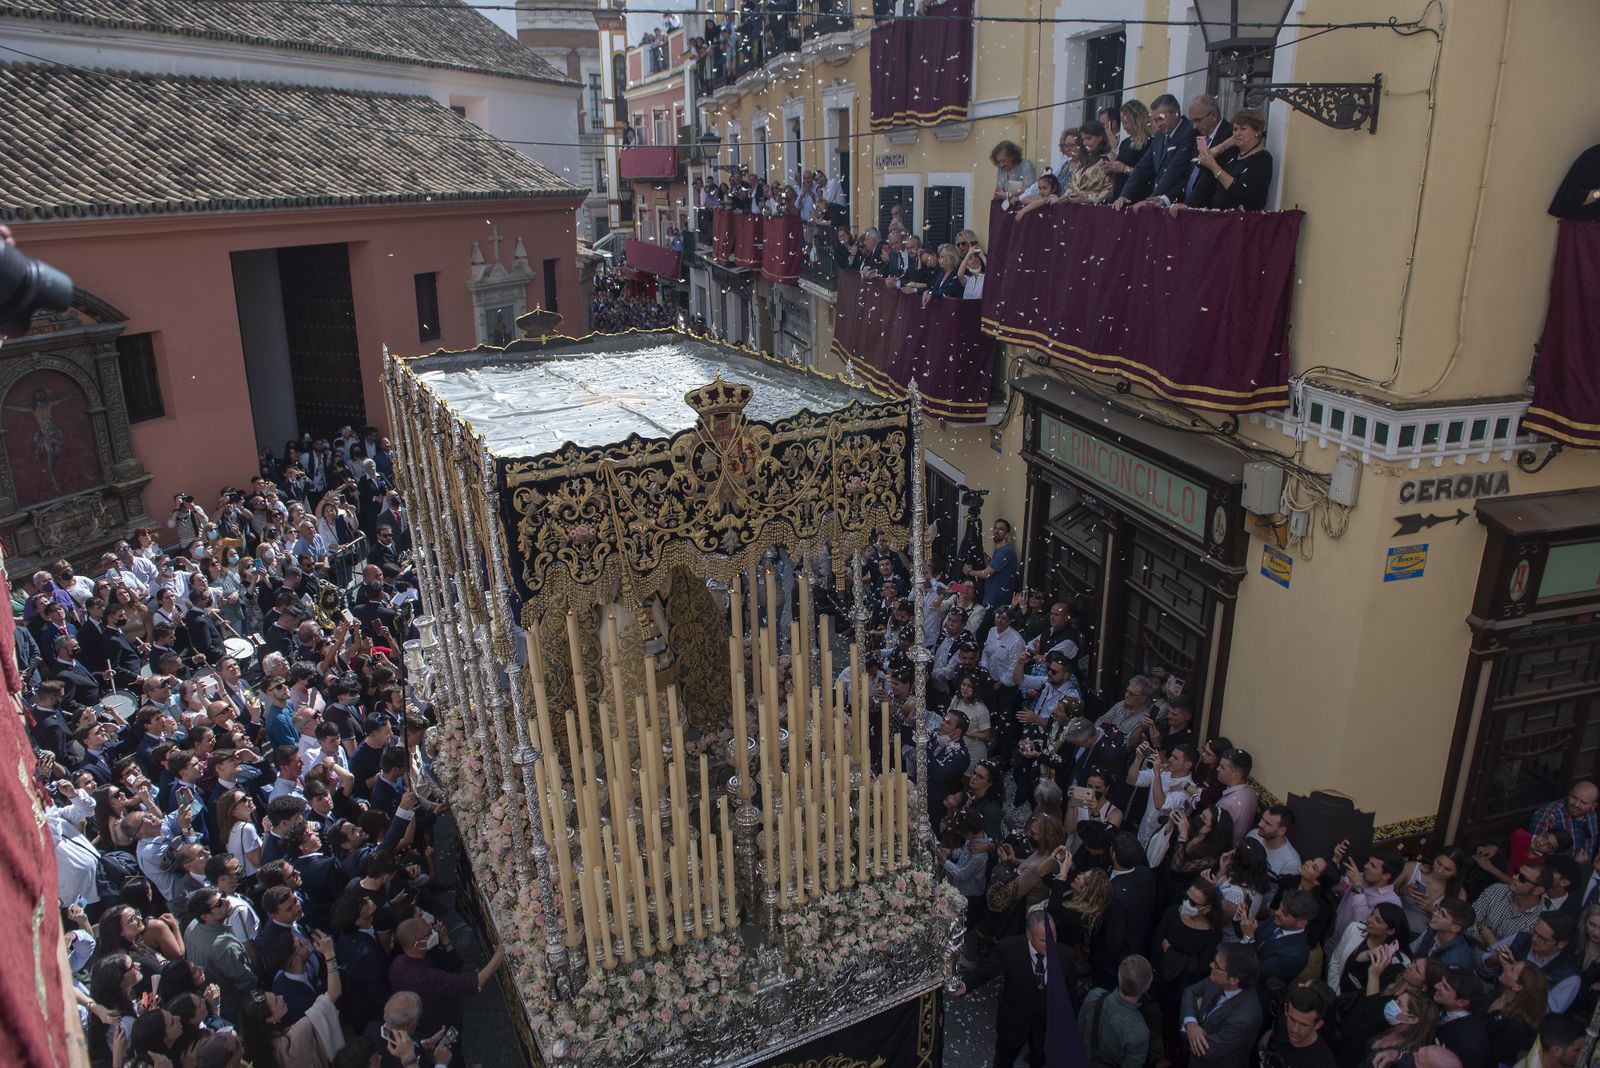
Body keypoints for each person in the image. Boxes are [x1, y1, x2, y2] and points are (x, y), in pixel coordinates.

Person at [952, 908, 1054, 1068]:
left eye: (1053, 938)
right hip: (1013, 1025)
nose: (1050, 944)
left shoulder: (1064, 956)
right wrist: (965, 985)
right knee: (1003, 1062)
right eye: (1043, 940)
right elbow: (984, 971)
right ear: (1029, 936)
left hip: (1044, 1029)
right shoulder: (1010, 948)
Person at [1179, 943, 1263, 1068]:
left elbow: (1203, 1049)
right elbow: (1190, 992)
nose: (1211, 965)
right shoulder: (1219, 978)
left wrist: (1190, 1023)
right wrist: (1191, 1023)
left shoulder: (1243, 1019)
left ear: (1234, 980)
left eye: (1216, 966)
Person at [1112, 94, 1195, 209]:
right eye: (1155, 120)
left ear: (1176, 113)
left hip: (1176, 202)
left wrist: (1152, 198)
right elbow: (1143, 167)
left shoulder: (1188, 132)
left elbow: (1174, 170)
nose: (1158, 124)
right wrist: (1125, 195)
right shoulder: (1160, 136)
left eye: (1161, 118)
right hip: (1157, 202)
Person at [1081, 956, 1154, 1068]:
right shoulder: (1140, 1033)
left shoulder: (1094, 996)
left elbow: (1079, 1031)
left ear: (1119, 976)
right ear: (1146, 987)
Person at [1262, 980, 1339, 1068]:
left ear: (1318, 1024)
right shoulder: (1283, 1021)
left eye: (1304, 1024)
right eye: (1292, 1019)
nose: (1294, 1029)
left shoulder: (1323, 1063)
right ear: (1286, 1009)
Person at [1432, 969, 1490, 1068]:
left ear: (1462, 1002)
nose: (1436, 986)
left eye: (1445, 987)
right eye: (1441, 982)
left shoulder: (1467, 1043)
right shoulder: (1440, 1005)